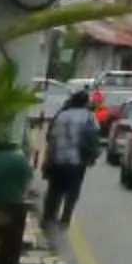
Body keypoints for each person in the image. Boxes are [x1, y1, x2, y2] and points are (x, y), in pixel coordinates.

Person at [41, 90, 99, 229]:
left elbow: (50, 136)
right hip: (76, 161)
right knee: (73, 191)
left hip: (57, 158)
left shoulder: (61, 115)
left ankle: (49, 216)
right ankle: (65, 218)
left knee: (55, 189)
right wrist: (92, 156)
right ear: (86, 102)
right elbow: (93, 138)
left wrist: (49, 157)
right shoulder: (89, 117)